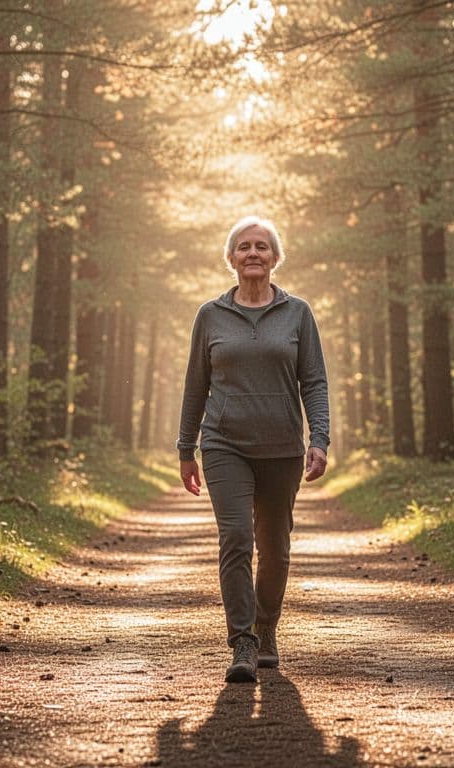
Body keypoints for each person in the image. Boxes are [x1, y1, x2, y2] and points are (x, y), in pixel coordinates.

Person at [177, 215, 330, 684]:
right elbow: (195, 386)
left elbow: (315, 381)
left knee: (276, 548)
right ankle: (242, 642)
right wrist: (187, 448)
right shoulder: (211, 315)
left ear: (275, 257)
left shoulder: (298, 313)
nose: (253, 253)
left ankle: (267, 627)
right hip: (224, 446)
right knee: (237, 538)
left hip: (283, 446)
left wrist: (319, 439)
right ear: (231, 258)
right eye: (243, 247)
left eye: (261, 246)